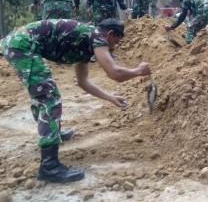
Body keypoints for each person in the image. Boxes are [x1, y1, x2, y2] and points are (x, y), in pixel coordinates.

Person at [1, 19, 151, 183]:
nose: (114, 47)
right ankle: (49, 166)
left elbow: (83, 82)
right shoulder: (97, 37)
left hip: (19, 44)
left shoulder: (86, 42)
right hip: (21, 45)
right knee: (49, 98)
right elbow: (114, 73)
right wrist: (137, 71)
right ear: (109, 34)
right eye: (115, 41)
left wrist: (111, 98)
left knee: (45, 93)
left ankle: (53, 133)